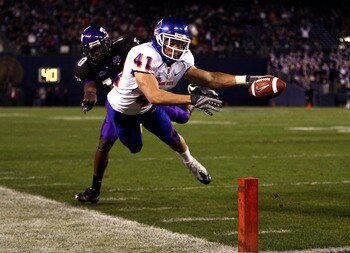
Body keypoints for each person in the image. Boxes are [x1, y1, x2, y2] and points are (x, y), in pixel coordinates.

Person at [95, 17, 262, 204]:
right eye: (171, 41)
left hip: (147, 108)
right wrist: (193, 99)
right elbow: (154, 95)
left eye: (180, 43)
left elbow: (210, 78)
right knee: (135, 147)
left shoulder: (184, 58)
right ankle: (144, 126)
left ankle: (191, 162)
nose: (176, 47)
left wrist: (247, 79)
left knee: (173, 137)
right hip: (123, 111)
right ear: (158, 39)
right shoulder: (143, 54)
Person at [74, 25, 217, 204]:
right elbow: (90, 86)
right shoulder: (85, 66)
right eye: (90, 50)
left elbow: (153, 56)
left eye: (96, 48)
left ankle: (191, 162)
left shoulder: (126, 46)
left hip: (147, 99)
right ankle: (95, 189)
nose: (93, 53)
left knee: (183, 118)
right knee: (107, 145)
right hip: (121, 105)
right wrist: (90, 97)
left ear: (106, 43)